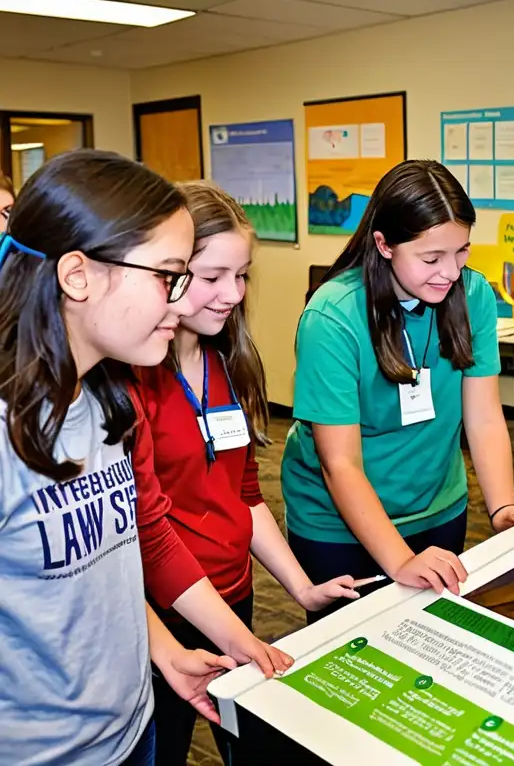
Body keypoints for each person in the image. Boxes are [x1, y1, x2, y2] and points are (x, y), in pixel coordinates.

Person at [0, 150, 235, 766]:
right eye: (167, 276)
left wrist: (161, 649)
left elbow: (105, 566)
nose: (181, 301)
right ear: (77, 276)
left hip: (132, 729)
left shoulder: (110, 400)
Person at [132, 181, 364, 764]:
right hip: (162, 610)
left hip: (233, 594)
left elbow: (243, 494)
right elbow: (146, 533)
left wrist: (301, 587)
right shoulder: (131, 382)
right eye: (213, 277)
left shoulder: (228, 359)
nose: (233, 293)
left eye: (243, 276)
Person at [282, 160, 514, 623]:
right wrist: (398, 561)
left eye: (462, 253)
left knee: (430, 641)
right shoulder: (333, 317)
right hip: (339, 527)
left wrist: (503, 507)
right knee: (347, 663)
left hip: (436, 505)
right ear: (384, 245)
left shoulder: (472, 295)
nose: (451, 272)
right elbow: (340, 463)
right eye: (432, 258)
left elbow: (484, 417)